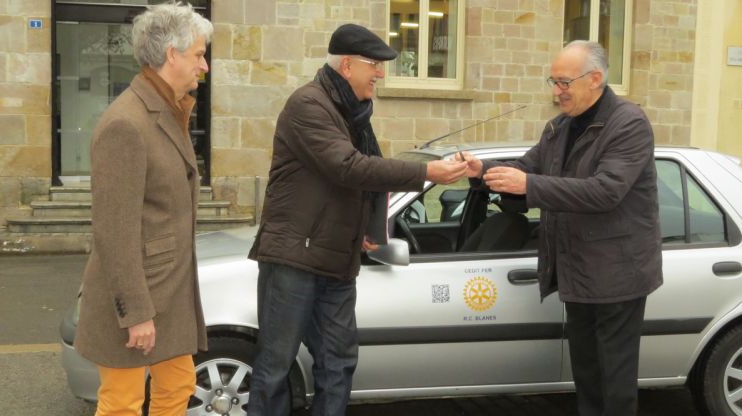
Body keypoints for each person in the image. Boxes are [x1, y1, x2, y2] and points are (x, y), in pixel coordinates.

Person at [247, 23, 468, 416]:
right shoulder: (308, 105)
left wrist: (371, 230)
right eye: (374, 65)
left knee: (339, 362)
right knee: (275, 366)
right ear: (347, 66)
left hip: (336, 260)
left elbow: (372, 174)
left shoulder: (354, 114)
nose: (380, 74)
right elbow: (348, 167)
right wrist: (426, 173)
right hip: (294, 258)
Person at [459, 40, 663, 416]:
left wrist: (530, 186)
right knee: (586, 375)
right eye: (553, 82)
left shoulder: (628, 123)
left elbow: (606, 192)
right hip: (577, 271)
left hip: (618, 274)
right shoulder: (559, 128)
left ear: (596, 79)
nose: (556, 92)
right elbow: (526, 169)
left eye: (564, 83)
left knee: (615, 382)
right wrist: (482, 172)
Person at [73, 3, 212, 415]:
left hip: (168, 292)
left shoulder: (170, 109)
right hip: (137, 299)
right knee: (122, 405)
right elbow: (114, 230)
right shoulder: (126, 123)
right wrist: (135, 314)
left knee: (178, 386)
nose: (203, 66)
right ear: (172, 54)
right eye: (198, 55)